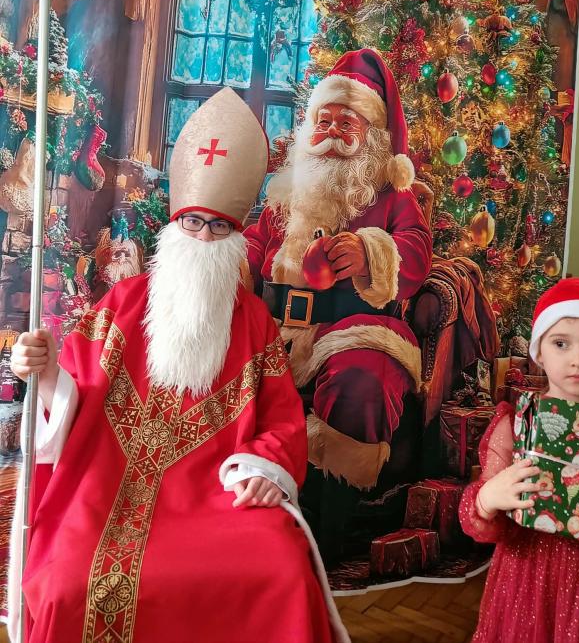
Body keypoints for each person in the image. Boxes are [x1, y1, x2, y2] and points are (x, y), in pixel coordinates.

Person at [8, 88, 349, 643]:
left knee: (283, 569)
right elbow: (74, 388)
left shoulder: (253, 321)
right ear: (172, 226)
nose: (203, 237)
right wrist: (45, 372)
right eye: (192, 222)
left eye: (218, 228)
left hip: (219, 496)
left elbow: (282, 421)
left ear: (235, 238)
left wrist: (264, 471)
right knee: (68, 582)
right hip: (107, 490)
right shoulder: (122, 305)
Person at [244, 48, 432, 558]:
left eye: (346, 123)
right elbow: (255, 246)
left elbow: (417, 251)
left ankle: (327, 525)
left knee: (363, 377)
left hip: (356, 327)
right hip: (276, 328)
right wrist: (232, 263)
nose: (331, 132)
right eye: (322, 120)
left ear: (371, 133)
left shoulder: (392, 194)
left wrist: (371, 252)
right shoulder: (287, 192)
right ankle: (236, 507)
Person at [459, 277, 579, 642]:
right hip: (529, 582)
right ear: (539, 351)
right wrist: (486, 499)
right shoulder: (515, 425)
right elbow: (477, 521)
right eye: (561, 343)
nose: (578, 359)